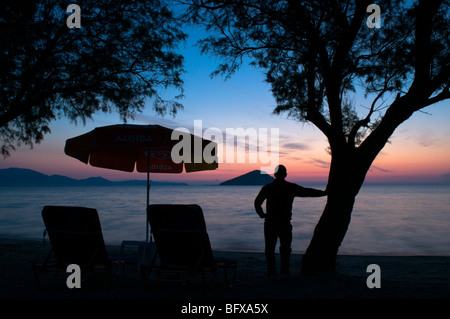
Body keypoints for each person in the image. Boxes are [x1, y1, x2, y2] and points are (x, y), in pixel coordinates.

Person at [254, 165, 327, 277]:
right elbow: (307, 192)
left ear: (275, 174)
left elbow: (257, 202)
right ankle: (284, 269)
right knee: (285, 248)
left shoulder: (268, 188)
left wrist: (262, 214)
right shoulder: (290, 187)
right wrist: (323, 193)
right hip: (284, 222)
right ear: (285, 174)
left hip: (270, 222)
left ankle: (272, 270)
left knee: (270, 248)